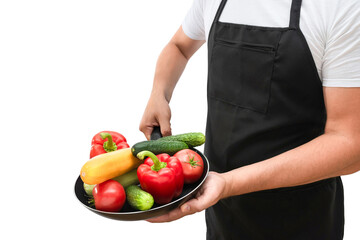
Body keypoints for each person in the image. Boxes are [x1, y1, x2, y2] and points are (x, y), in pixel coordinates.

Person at [139, 0, 360, 239]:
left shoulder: (340, 7)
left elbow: (350, 144)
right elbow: (179, 46)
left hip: (302, 218)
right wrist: (159, 93)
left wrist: (229, 183)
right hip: (221, 211)